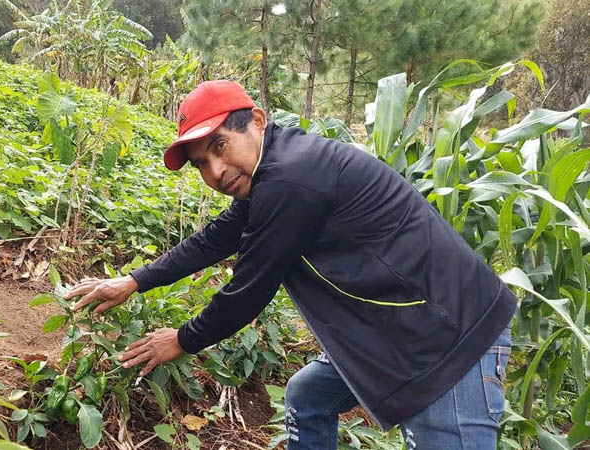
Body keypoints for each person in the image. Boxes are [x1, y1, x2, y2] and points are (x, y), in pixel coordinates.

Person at [65, 80, 516, 450]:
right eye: (202, 162)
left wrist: (182, 340)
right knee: (309, 395)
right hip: (392, 328)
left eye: (220, 145)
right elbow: (216, 237)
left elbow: (251, 288)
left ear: (256, 122)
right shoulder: (274, 169)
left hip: (449, 336)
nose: (217, 171)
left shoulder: (290, 179)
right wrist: (135, 280)